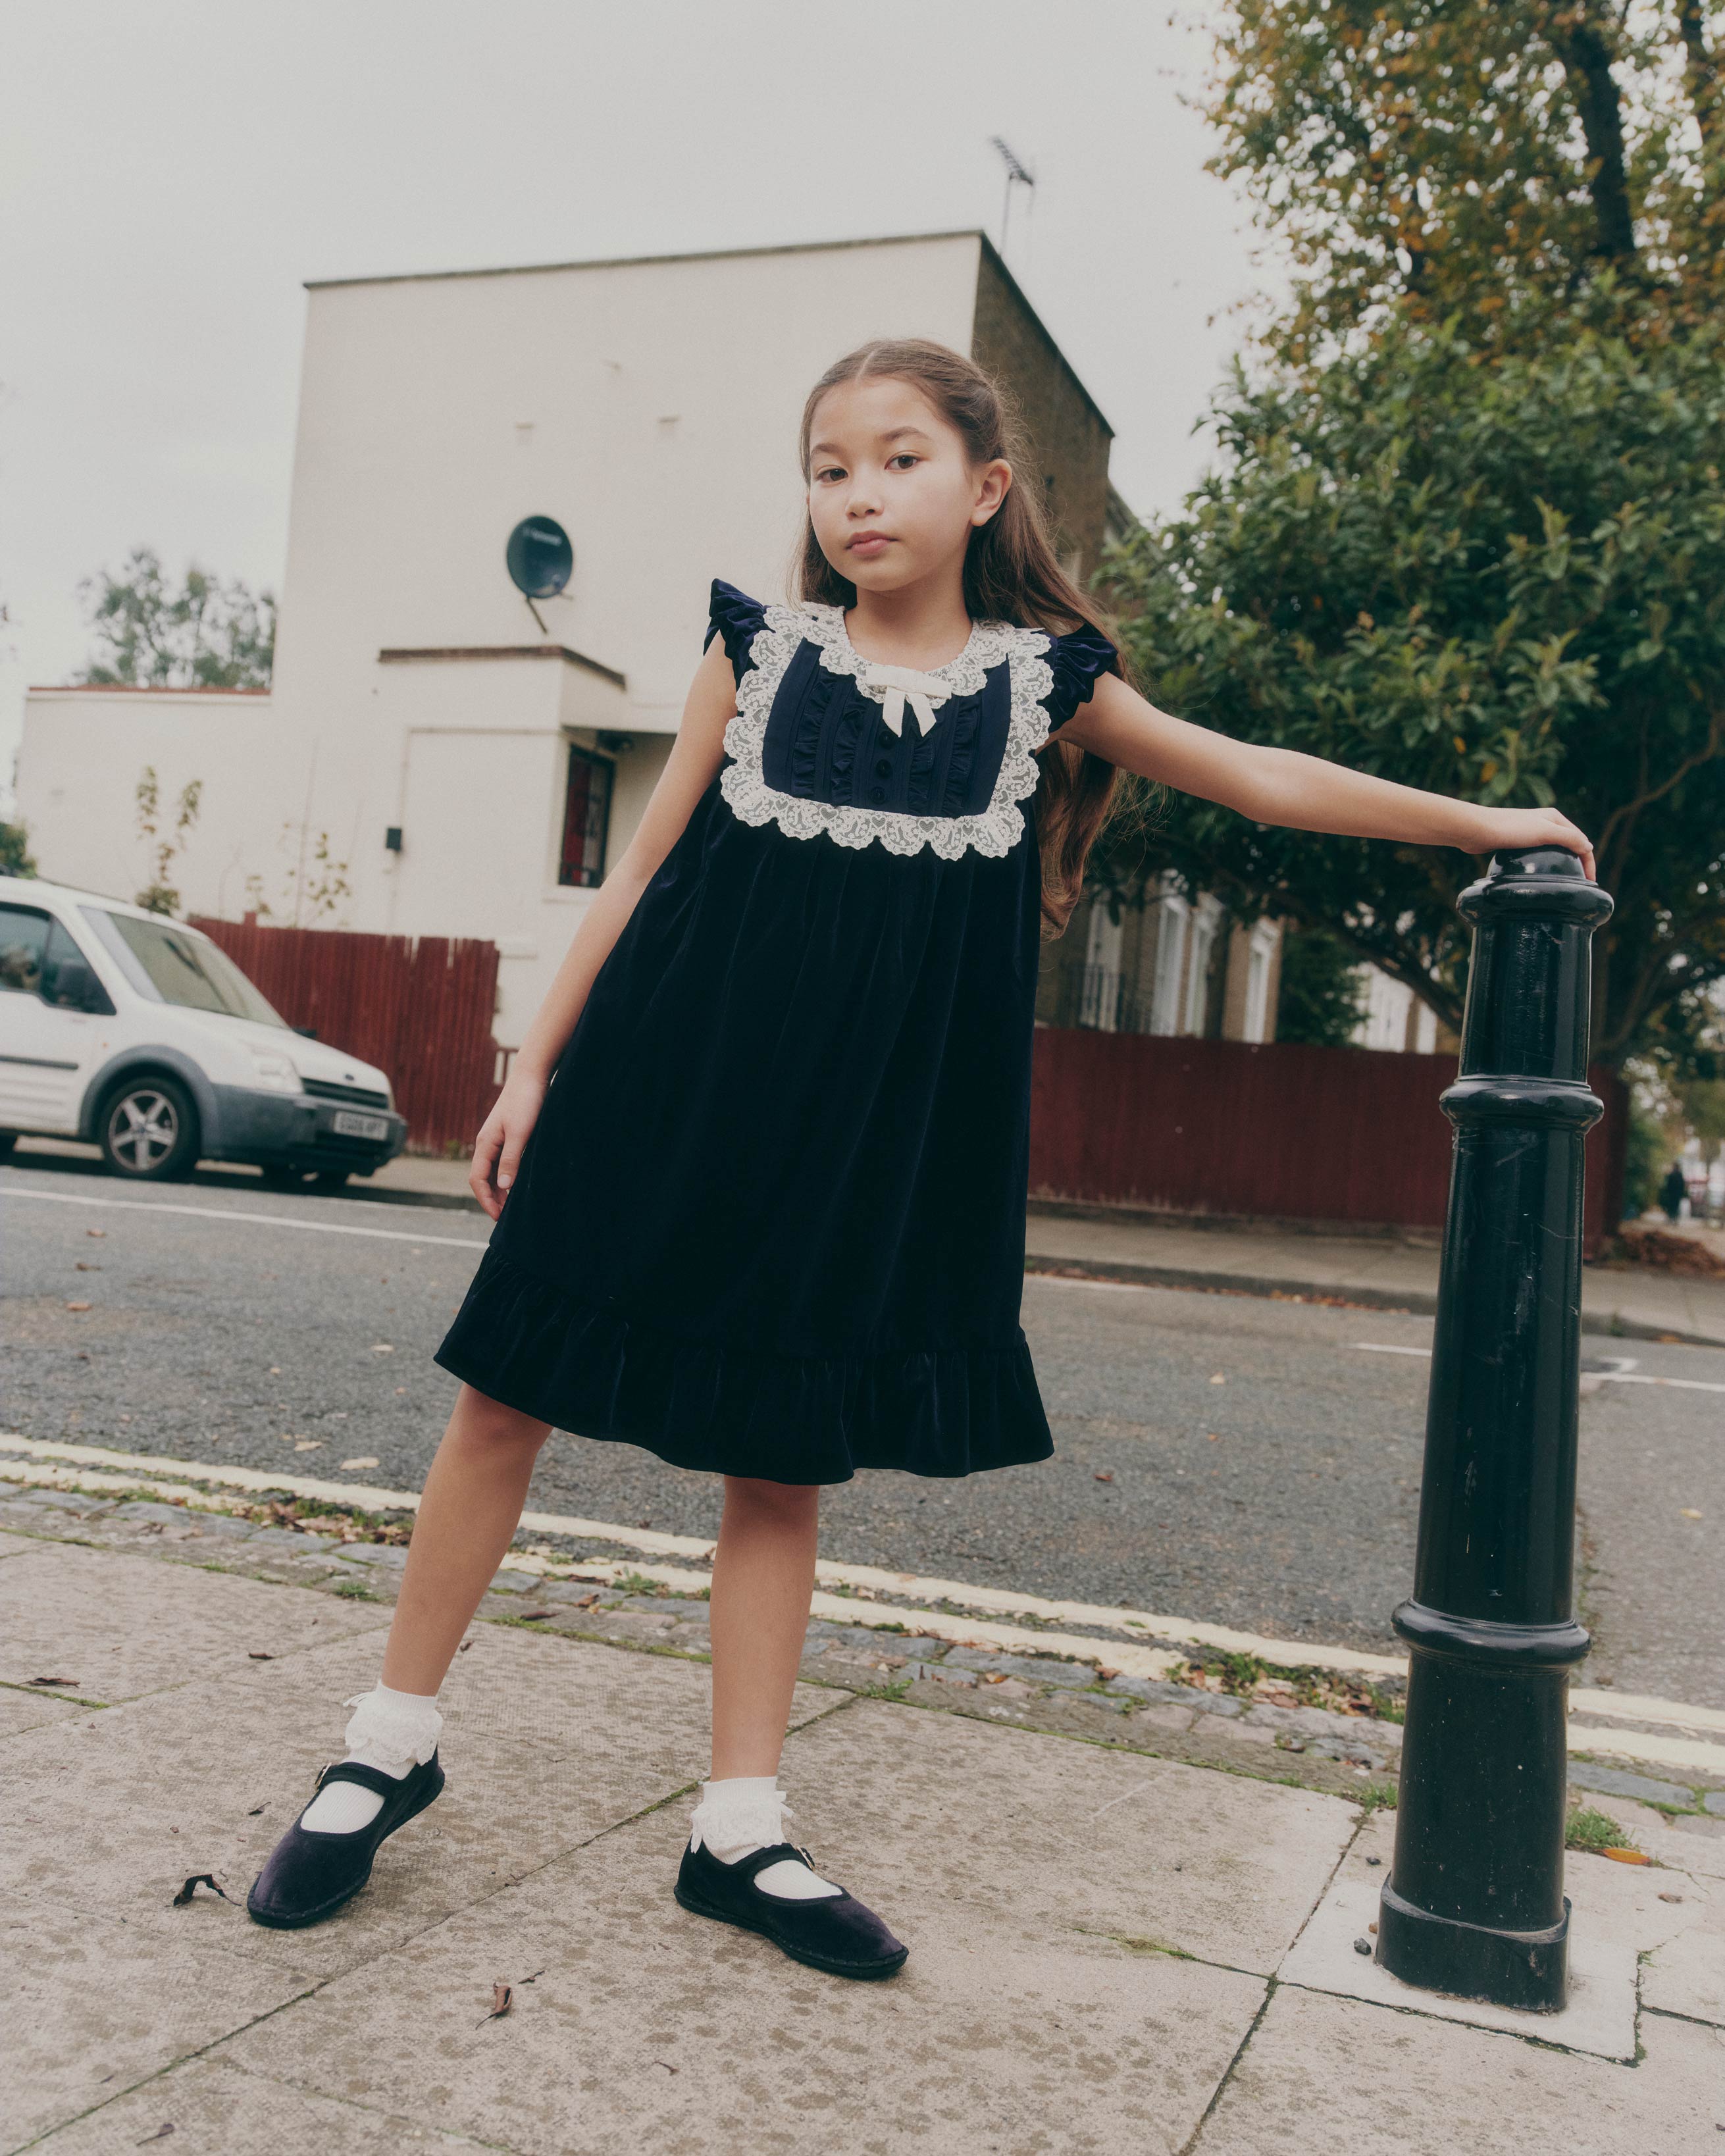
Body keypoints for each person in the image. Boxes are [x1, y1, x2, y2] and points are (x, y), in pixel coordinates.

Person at [245, 337, 1595, 1975]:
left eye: (896, 459)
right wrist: (535, 1062)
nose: (859, 494)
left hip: (855, 1142)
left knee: (781, 1461)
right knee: (503, 1398)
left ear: (985, 488)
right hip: (658, 1087)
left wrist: (1485, 824)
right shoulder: (757, 650)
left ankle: (739, 1830)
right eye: (830, 466)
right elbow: (639, 873)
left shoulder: (1051, 687)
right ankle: (385, 1744)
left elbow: (1258, 780)